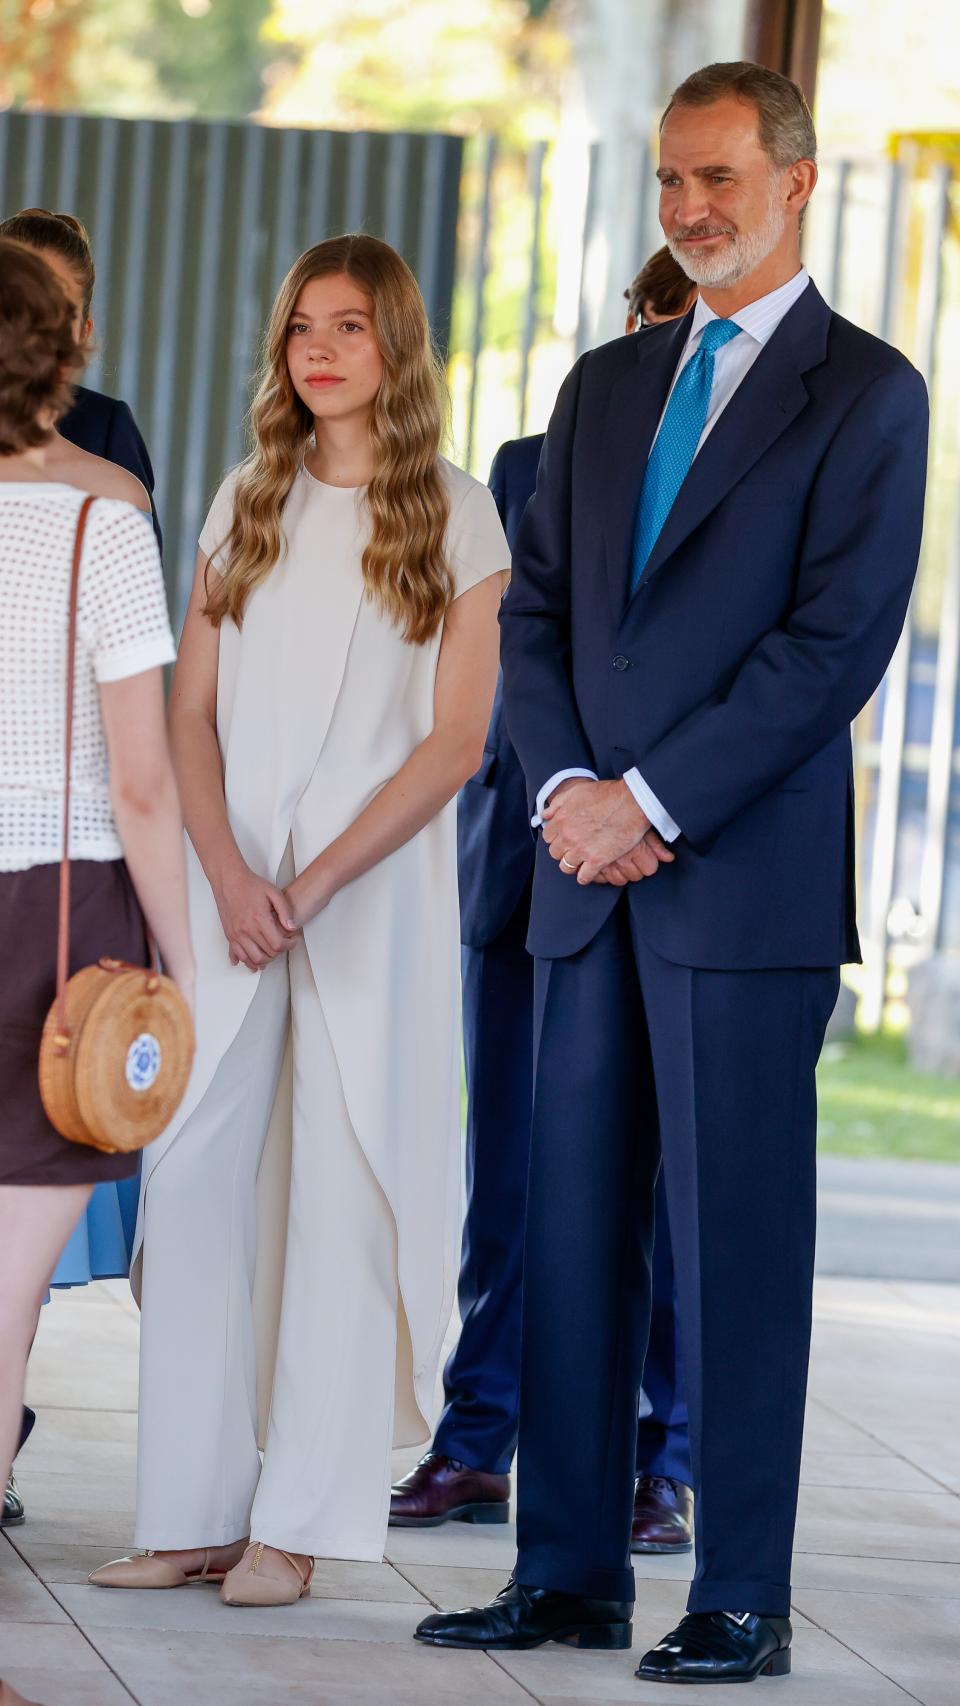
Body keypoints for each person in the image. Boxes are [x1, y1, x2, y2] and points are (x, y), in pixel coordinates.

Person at [414, 61, 929, 1684]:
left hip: (740, 894)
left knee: (735, 1255)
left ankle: (740, 1597)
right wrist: (570, 790)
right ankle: (566, 1573)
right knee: (568, 1233)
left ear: (796, 181)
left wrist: (647, 797)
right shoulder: (604, 386)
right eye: (671, 181)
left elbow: (831, 648)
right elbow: (537, 614)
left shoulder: (871, 394)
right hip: (585, 879)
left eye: (720, 177)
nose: (692, 208)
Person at [90, 234, 510, 1607]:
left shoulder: (458, 515)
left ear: (398, 345)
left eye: (350, 325)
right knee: (192, 1178)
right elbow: (189, 713)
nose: (319, 350)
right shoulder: (246, 497)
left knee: (343, 1187)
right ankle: (192, 1510)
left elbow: (456, 743)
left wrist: (315, 882)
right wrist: (224, 870)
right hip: (232, 893)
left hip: (368, 898)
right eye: (301, 327)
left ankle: (300, 1522)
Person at [391, 246, 697, 1559]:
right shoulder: (529, 463)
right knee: (509, 1170)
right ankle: (478, 1436)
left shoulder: (752, 473)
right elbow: (512, 656)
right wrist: (570, 802)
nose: (664, 339)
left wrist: (641, 810)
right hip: (528, 859)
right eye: (652, 314)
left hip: (679, 859)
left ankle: (661, 1460)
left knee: (666, 1183)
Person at [0, 238, 194, 1514]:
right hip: (53, 921)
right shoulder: (103, 516)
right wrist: (183, 959)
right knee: (4, 1298)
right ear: (67, 355)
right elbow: (143, 781)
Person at [0, 210, 162, 547]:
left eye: (56, 314)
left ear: (82, 334)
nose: (33, 334)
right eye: (15, 307)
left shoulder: (115, 481)